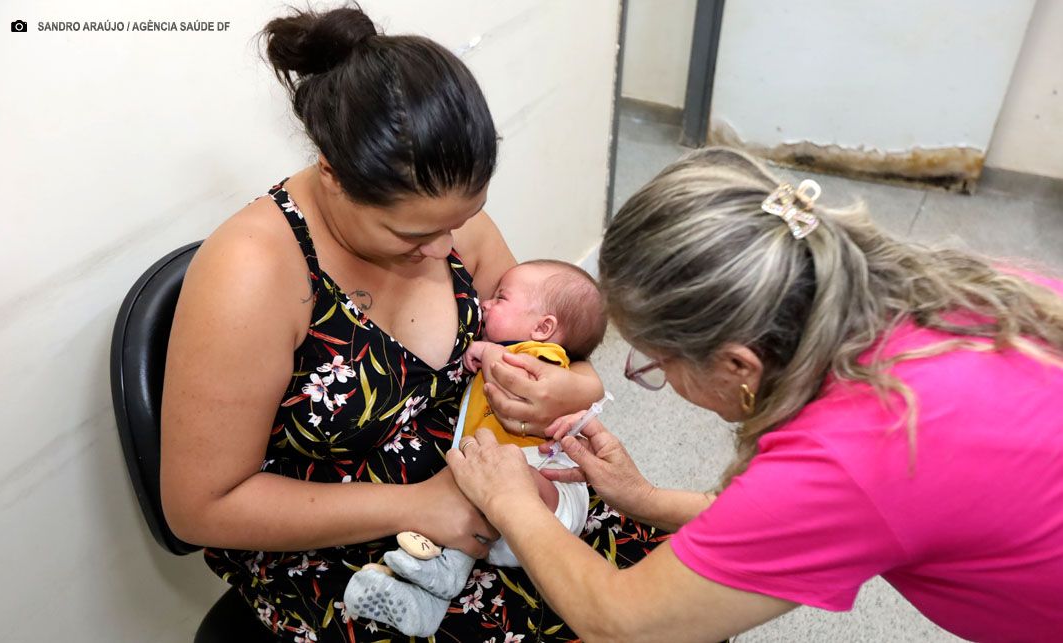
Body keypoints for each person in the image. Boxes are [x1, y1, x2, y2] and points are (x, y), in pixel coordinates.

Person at [160, 6, 663, 642]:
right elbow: (200, 507)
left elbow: (552, 341)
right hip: (350, 548)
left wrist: (576, 385)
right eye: (413, 233)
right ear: (332, 173)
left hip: (493, 487)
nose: (447, 247)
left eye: (461, 220)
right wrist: (422, 504)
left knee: (665, 598)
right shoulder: (253, 272)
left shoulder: (443, 219)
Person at [448, 147, 1063, 642]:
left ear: (738, 365)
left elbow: (622, 623)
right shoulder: (963, 296)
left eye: (657, 363)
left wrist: (511, 501)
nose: (659, 376)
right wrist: (645, 500)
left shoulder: (853, 452)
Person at [343, 260, 607, 637]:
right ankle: (427, 597)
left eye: (501, 298)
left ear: (543, 328)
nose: (486, 303)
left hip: (550, 496)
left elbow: (517, 376)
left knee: (502, 478)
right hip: (497, 526)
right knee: (468, 505)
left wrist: (489, 351)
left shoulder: (544, 357)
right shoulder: (520, 344)